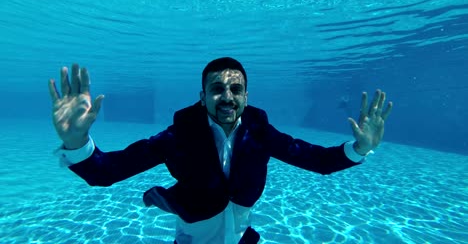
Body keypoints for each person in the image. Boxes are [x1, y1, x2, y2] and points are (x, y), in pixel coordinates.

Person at [48, 57, 393, 244]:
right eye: (217, 88)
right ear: (202, 97)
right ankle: (162, 197)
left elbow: (317, 160)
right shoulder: (178, 136)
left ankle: (163, 197)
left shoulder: (260, 133)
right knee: (179, 201)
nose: (227, 96)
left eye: (235, 89)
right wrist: (77, 141)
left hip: (240, 237)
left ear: (246, 97)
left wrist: (360, 147)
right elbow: (107, 171)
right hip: (193, 234)